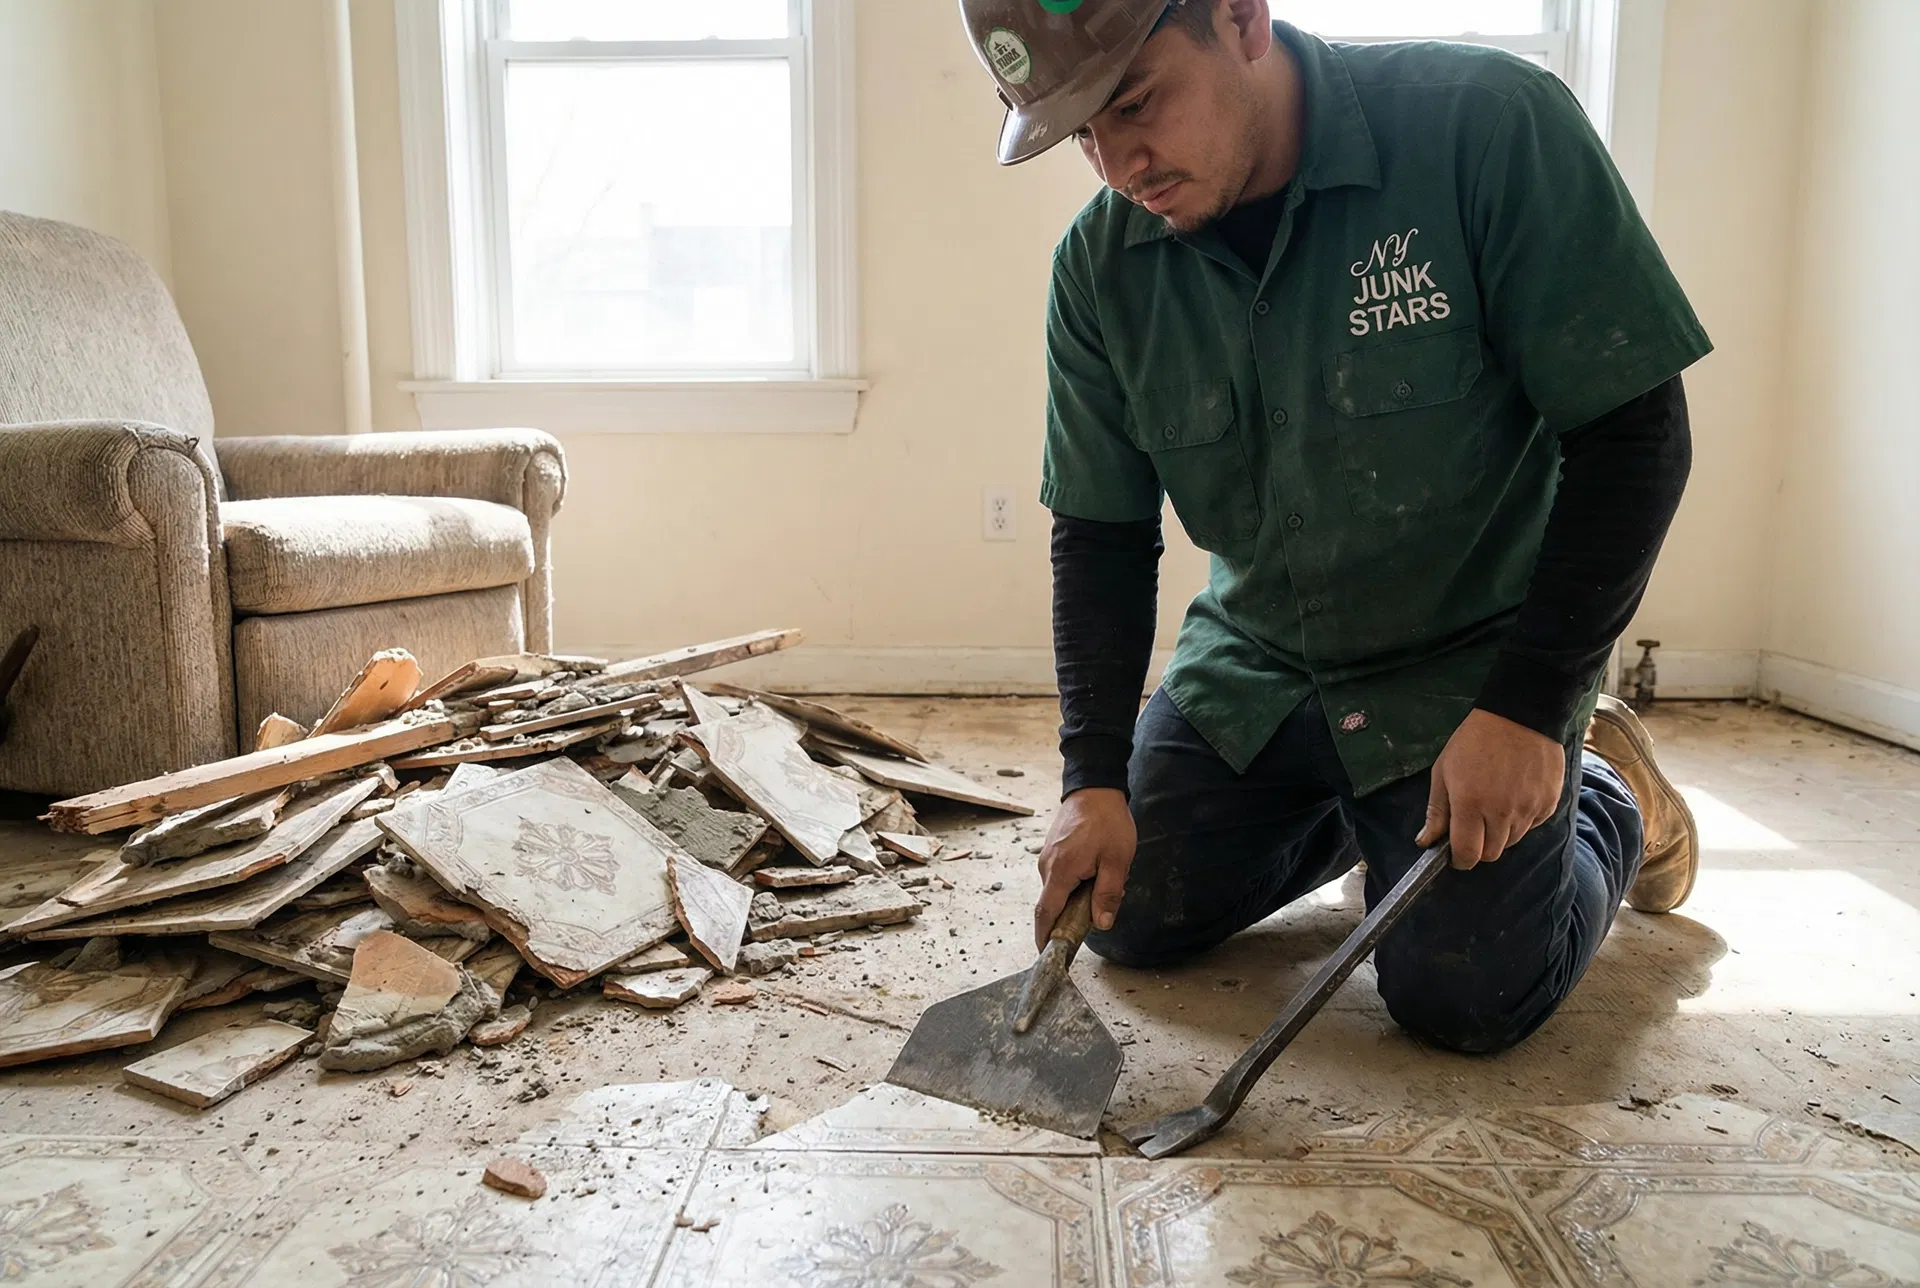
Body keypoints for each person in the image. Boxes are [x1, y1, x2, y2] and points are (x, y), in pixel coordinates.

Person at [959, 0, 1708, 1053]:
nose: (1121, 162)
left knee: (1467, 991)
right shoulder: (1102, 270)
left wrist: (1534, 708)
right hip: (1260, 667)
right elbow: (1101, 535)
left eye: (1136, 103)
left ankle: (1602, 788)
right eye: (1081, 134)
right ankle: (1377, 819)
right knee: (1131, 908)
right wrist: (1090, 779)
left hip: (1471, 671)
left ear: (1241, 17)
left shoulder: (1485, 130)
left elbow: (1638, 436)